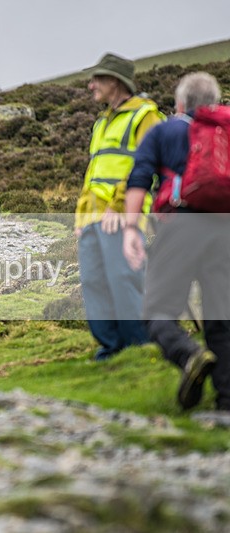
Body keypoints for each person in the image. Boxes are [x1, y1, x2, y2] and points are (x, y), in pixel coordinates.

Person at [123, 72, 229, 412]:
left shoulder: (165, 130)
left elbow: (139, 179)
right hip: (224, 228)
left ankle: (189, 356)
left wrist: (130, 230)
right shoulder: (225, 133)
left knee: (157, 310)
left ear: (179, 103)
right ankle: (226, 404)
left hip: (180, 226)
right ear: (216, 102)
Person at [75, 53, 164, 361]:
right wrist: (81, 215)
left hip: (123, 217)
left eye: (96, 80)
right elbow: (93, 173)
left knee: (123, 278)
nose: (90, 86)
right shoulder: (101, 123)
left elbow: (146, 165)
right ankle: (111, 348)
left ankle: (140, 349)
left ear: (114, 82)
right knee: (93, 282)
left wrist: (119, 206)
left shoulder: (145, 116)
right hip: (93, 219)